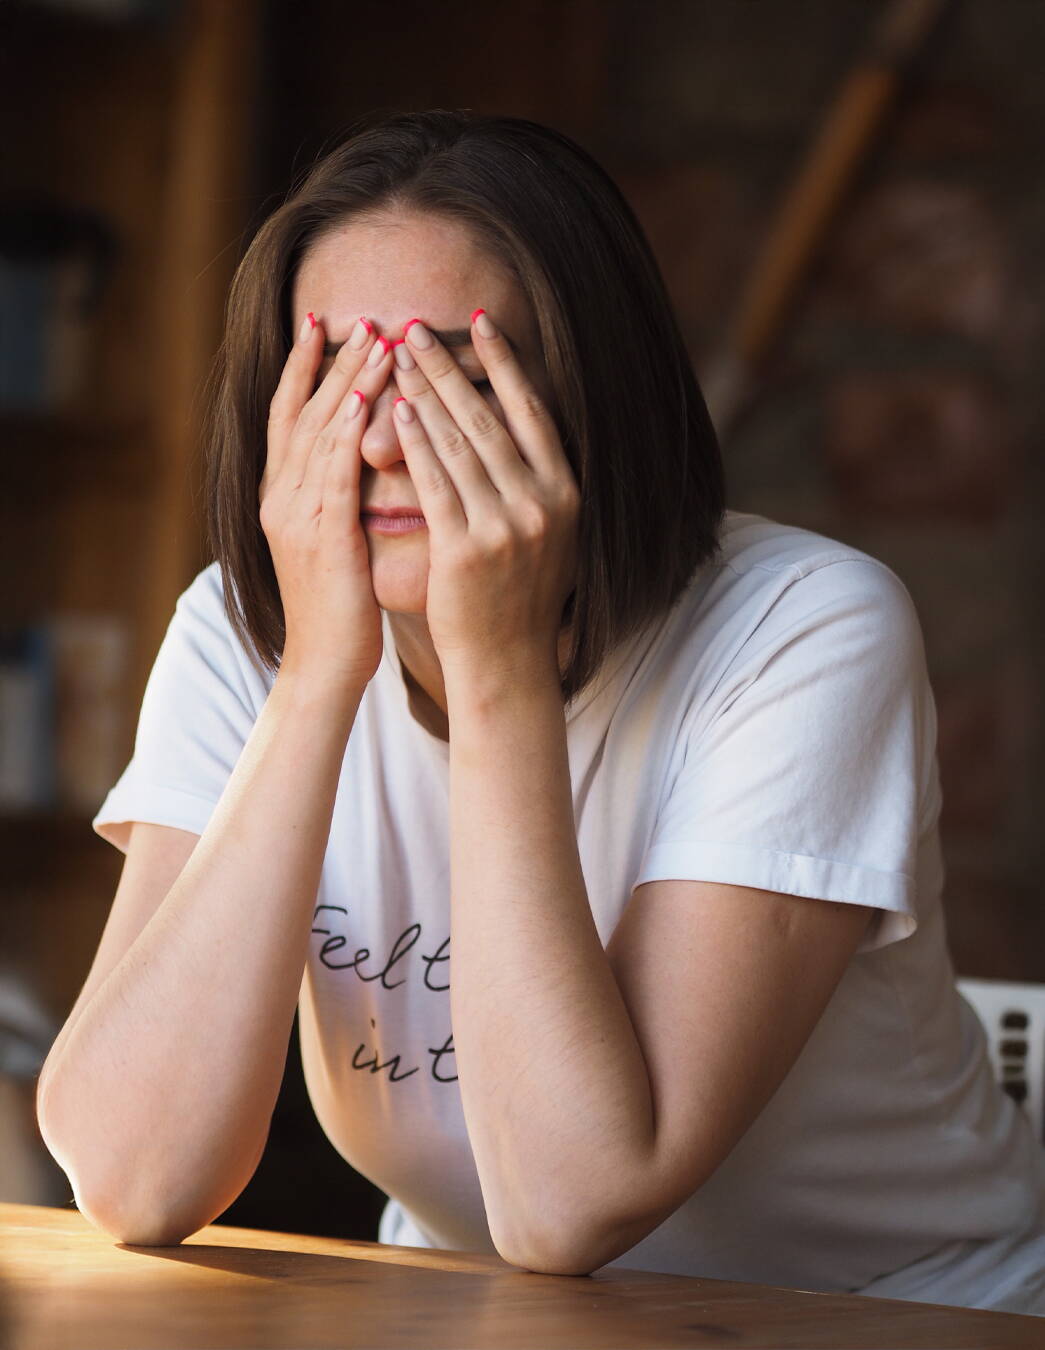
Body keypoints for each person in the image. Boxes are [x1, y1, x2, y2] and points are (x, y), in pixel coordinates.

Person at [36, 109, 1045, 1314]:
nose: (388, 446)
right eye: (339, 381)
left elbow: (574, 1202)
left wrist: (497, 666)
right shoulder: (237, 632)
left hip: (898, 1314)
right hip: (488, 1306)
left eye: (455, 383)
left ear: (588, 393)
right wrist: (314, 679)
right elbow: (134, 1177)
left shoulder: (809, 628)